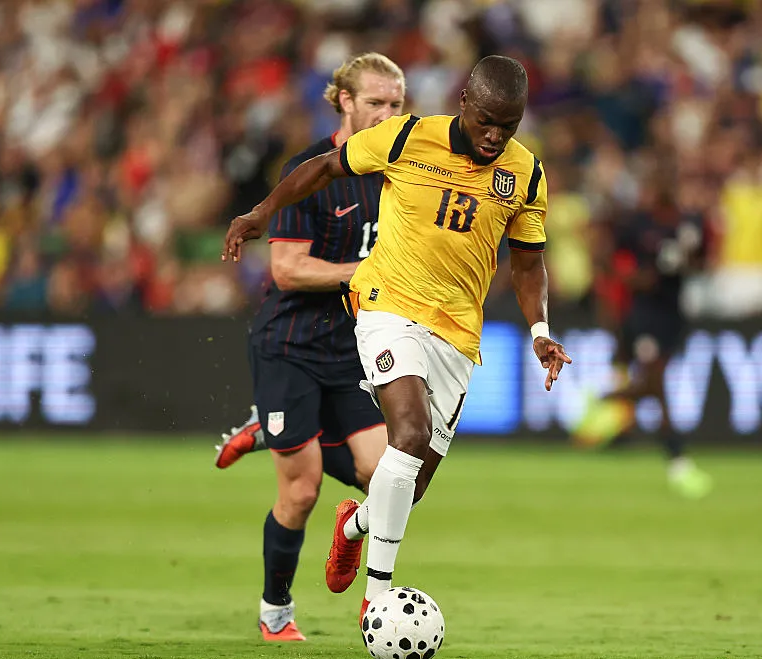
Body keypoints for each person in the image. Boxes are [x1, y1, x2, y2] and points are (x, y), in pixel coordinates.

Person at [223, 55, 572, 624]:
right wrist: (263, 213)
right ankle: (378, 596)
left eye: (507, 126)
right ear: (464, 101)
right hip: (389, 306)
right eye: (486, 120)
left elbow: (528, 264)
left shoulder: (526, 174)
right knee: (406, 434)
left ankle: (355, 524)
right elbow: (323, 168)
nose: (494, 135)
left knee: (411, 480)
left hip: (457, 333)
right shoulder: (409, 135)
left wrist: (540, 331)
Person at [222, 53, 406, 642]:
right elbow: (287, 268)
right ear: (345, 103)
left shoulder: (403, 171)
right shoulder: (309, 169)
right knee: (300, 491)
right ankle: (275, 611)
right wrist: (368, 272)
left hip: (353, 347)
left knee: (387, 475)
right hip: (290, 345)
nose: (388, 114)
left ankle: (354, 542)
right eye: (376, 102)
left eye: (397, 104)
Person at [576, 174, 714, 499]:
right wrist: (634, 279)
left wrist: (686, 261)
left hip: (673, 315)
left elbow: (701, 264)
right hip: (645, 315)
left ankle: (604, 401)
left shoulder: (687, 225)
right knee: (656, 382)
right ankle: (678, 461)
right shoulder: (638, 225)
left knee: (655, 386)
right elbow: (606, 258)